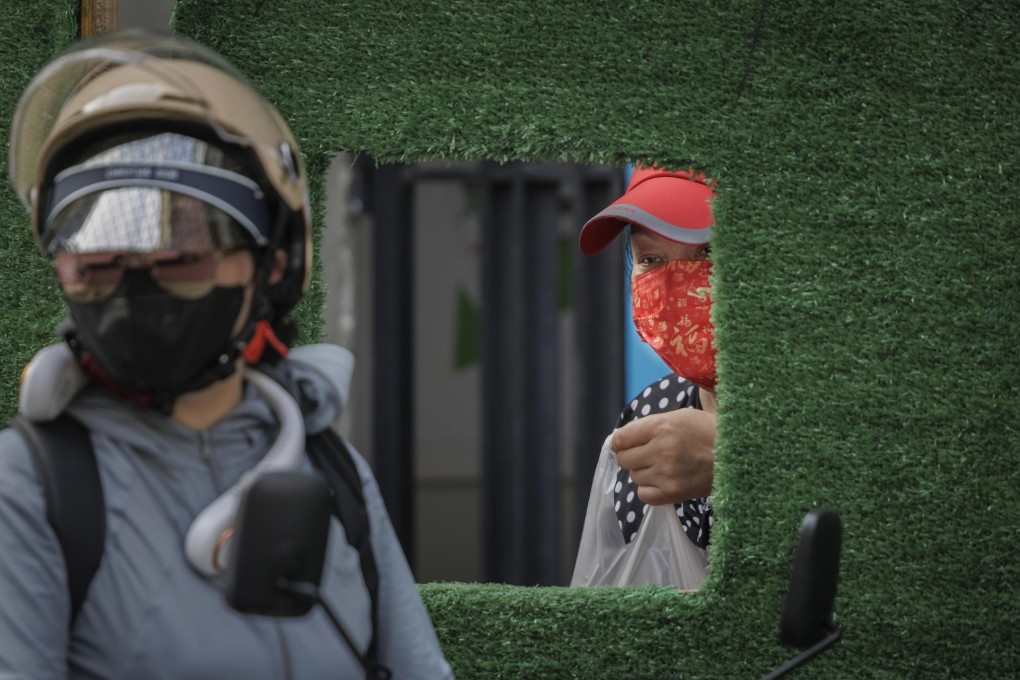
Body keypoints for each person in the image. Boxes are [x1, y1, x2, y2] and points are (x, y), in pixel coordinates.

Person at [0, 29, 452, 678]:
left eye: (184, 255)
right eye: (96, 261)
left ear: (270, 266)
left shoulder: (331, 468)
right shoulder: (33, 484)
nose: (136, 285)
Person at [571, 165, 719, 588]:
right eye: (651, 260)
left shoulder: (826, 407)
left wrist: (734, 455)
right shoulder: (646, 417)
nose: (678, 284)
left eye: (708, 253)